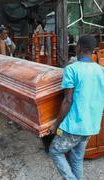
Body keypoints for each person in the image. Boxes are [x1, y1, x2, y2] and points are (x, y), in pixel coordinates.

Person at [48, 35, 104, 180]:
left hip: (74, 125)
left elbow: (67, 100)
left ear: (78, 47)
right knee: (77, 159)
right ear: (93, 50)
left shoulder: (72, 69)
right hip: (91, 125)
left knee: (55, 151)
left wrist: (56, 124)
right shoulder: (101, 70)